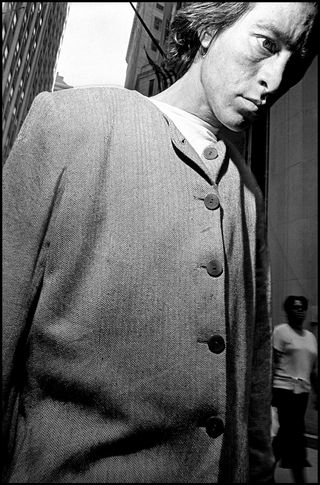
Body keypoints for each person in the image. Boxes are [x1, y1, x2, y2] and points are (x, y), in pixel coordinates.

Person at [2, 2, 318, 483]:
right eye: (267, 44)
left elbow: (254, 376)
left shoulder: (249, 194)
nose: (275, 80)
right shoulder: (70, 124)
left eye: (293, 62)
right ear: (211, 27)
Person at [272, 296, 318, 483]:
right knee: (294, 435)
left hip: (302, 394)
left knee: (285, 437)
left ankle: (263, 471)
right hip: (283, 391)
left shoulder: (310, 337)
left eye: (302, 308)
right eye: (294, 308)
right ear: (287, 310)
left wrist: (317, 392)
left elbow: (312, 369)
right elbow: (272, 364)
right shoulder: (281, 331)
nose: (299, 311)